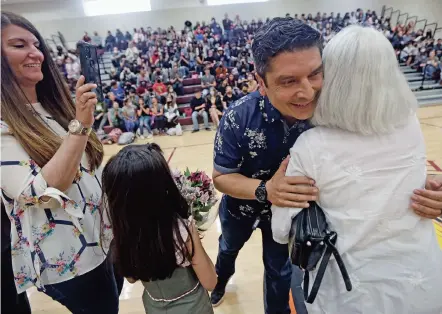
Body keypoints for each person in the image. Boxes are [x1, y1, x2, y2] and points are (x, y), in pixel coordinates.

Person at [211, 17, 442, 314]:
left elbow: (372, 162)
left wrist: (422, 187)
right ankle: (220, 282)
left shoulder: (341, 109)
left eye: (315, 74)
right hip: (242, 207)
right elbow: (221, 176)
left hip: (299, 219)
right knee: (227, 250)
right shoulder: (237, 118)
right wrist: (266, 190)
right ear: (261, 81)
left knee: (279, 274)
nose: (307, 91)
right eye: (288, 81)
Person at [0, 11, 122, 313]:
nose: (35, 53)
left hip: (103, 238)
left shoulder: (57, 105)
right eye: (19, 45)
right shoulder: (3, 125)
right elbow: (40, 191)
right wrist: (80, 125)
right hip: (68, 258)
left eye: (36, 44)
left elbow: (88, 166)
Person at [101, 144, 217, 314]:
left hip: (154, 307)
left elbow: (131, 278)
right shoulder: (182, 229)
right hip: (194, 307)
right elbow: (210, 282)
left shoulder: (121, 232)